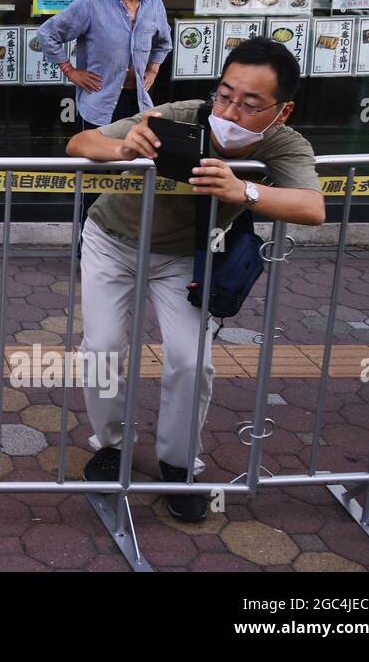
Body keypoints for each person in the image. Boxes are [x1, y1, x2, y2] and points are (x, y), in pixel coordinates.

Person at [66, 37, 324, 521]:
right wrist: (123, 146)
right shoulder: (179, 116)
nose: (231, 110)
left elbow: (312, 207)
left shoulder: (283, 142)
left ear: (281, 111)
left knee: (190, 361)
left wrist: (242, 188)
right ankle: (112, 446)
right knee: (102, 347)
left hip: (185, 258)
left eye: (250, 104)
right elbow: (79, 142)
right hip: (113, 239)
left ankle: (178, 466)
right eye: (225, 95)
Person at [37, 0, 172, 131]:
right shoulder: (93, 2)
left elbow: (163, 42)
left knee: (134, 159)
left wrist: (153, 69)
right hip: (100, 104)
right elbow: (48, 33)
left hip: (139, 102)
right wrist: (71, 71)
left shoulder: (154, 2)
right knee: (99, 160)